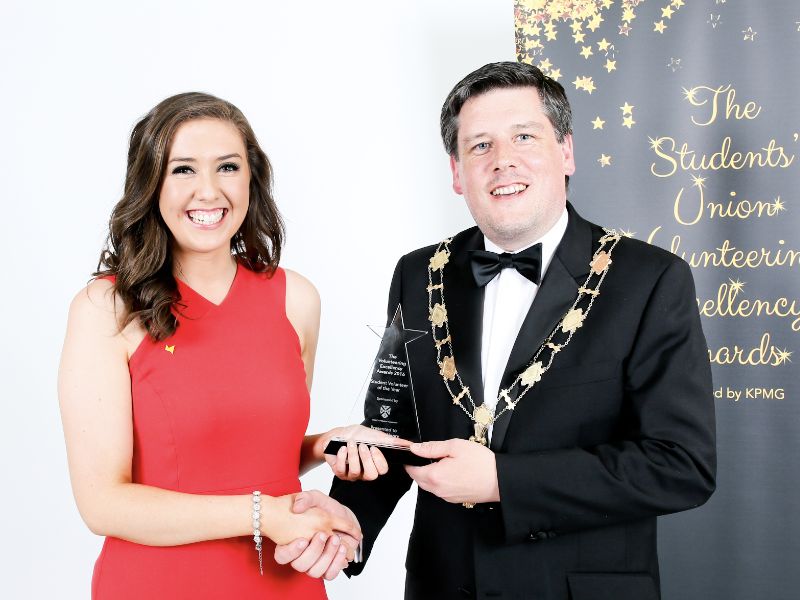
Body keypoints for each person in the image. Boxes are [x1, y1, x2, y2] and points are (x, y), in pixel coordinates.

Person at [280, 61, 717, 599]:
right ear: (457, 172)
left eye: (524, 137)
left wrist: (502, 482)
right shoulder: (417, 275)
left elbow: (681, 466)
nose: (503, 161)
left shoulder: (650, 278)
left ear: (566, 152)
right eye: (480, 145)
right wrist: (347, 522)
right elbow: (393, 432)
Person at [58, 92, 389, 599]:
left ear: (251, 179)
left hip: (285, 580)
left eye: (228, 167)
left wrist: (322, 446)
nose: (208, 191)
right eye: (183, 170)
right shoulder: (106, 308)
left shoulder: (295, 298)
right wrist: (262, 514)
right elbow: (102, 502)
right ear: (151, 184)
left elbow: (246, 449)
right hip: (158, 585)